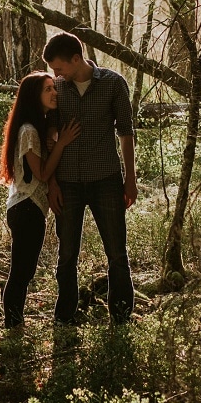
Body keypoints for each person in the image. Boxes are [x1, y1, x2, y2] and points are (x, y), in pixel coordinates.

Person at [43, 31, 137, 325]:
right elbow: (49, 137)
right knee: (67, 253)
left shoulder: (112, 83)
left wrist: (130, 179)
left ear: (76, 58)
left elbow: (125, 132)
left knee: (117, 253)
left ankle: (121, 316)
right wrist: (53, 183)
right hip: (67, 182)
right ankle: (65, 315)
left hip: (106, 179)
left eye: (59, 67)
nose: (56, 74)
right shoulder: (57, 88)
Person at [0, 71, 80, 329]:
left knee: (24, 270)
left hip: (29, 208)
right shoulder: (28, 131)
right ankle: (12, 323)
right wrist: (63, 143)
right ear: (34, 96)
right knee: (21, 272)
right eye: (47, 89)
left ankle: (14, 321)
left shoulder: (35, 128)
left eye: (53, 88)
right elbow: (42, 173)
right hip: (26, 208)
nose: (54, 93)